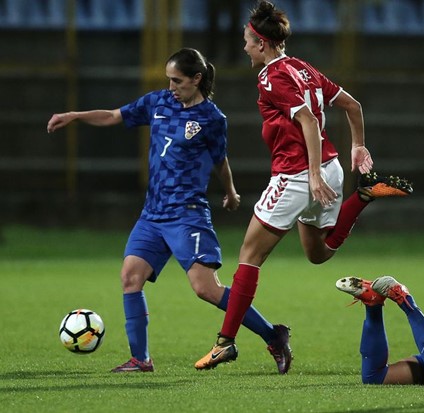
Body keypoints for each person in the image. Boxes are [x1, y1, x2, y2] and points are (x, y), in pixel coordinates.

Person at [194, 1, 413, 371]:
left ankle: (224, 343)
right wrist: (357, 146)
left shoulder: (270, 77)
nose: (245, 47)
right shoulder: (304, 68)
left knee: (249, 256)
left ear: (262, 43)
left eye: (247, 41)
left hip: (299, 175)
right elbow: (353, 105)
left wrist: (310, 175)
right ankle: (362, 197)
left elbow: (309, 121)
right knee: (319, 253)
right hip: (331, 170)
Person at [47, 47, 292, 374]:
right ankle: (141, 359)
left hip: (186, 214)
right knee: (130, 277)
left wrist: (231, 191)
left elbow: (220, 160)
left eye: (177, 80)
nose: (171, 86)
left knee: (205, 288)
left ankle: (273, 335)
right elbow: (113, 116)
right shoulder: (158, 102)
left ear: (197, 79)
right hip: (152, 214)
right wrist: (74, 117)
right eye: (169, 80)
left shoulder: (212, 119)